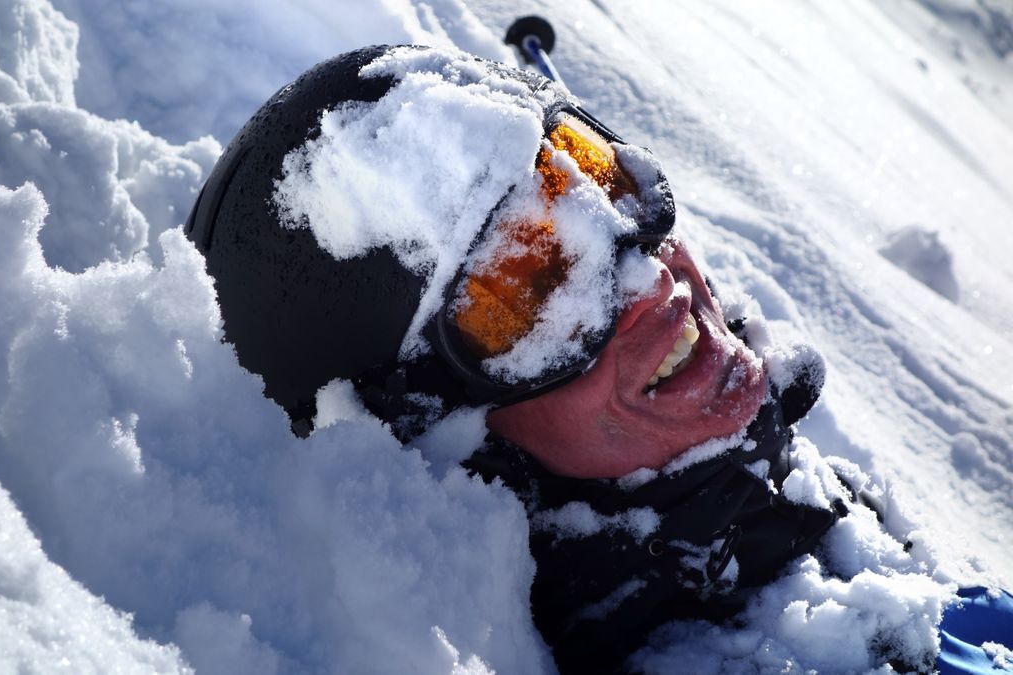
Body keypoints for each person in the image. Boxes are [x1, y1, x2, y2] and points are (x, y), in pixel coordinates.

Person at [185, 44, 1009, 673]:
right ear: (452, 443)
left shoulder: (806, 543)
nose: (650, 276)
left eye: (598, 176)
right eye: (530, 291)